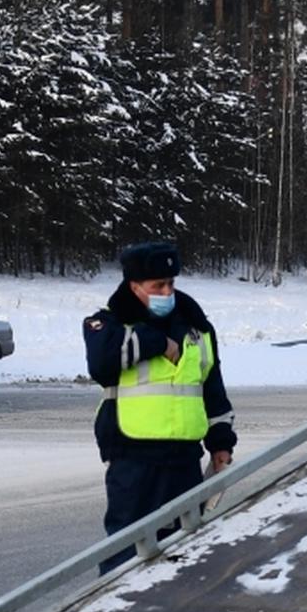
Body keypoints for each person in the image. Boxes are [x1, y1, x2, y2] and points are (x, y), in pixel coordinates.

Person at [84, 241, 236, 575]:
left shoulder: (197, 328)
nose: (167, 291)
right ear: (134, 286)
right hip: (133, 458)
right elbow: (101, 362)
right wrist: (157, 341)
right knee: (126, 551)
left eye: (171, 283)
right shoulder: (107, 324)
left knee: (185, 548)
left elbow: (212, 390)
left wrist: (221, 443)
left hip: (184, 458)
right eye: (158, 286)